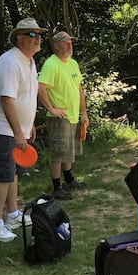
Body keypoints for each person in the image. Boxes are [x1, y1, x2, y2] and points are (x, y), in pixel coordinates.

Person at [0, 17, 46, 242]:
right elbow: (6, 100)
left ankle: (12, 215)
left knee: (14, 172)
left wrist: (29, 126)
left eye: (39, 34)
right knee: (4, 174)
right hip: (1, 128)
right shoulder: (9, 63)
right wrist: (18, 132)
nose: (38, 38)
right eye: (32, 34)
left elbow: (27, 96)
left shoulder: (29, 61)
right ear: (19, 38)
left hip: (17, 129)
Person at [37, 31, 89, 200]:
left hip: (73, 115)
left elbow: (79, 89)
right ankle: (56, 187)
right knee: (58, 153)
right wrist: (52, 109)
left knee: (68, 150)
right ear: (56, 45)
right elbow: (41, 87)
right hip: (59, 117)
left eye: (71, 43)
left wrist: (84, 113)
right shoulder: (51, 64)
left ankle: (69, 180)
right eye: (66, 43)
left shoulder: (73, 63)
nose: (69, 46)